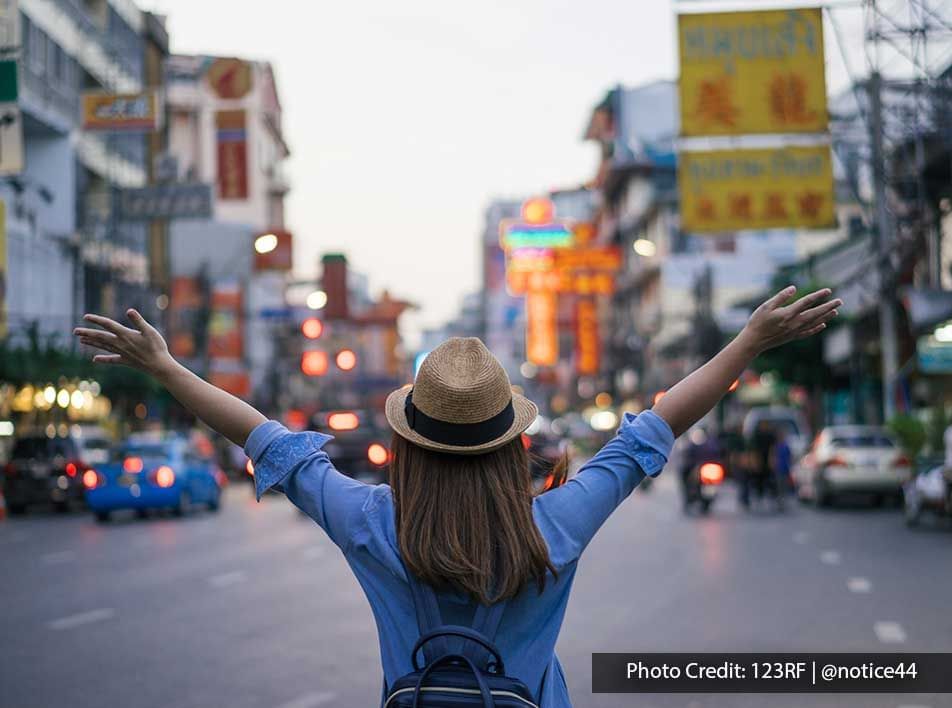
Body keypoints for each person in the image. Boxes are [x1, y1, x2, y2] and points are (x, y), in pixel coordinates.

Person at [72, 284, 839, 707]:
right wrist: (749, 344)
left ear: (408, 443)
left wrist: (166, 368)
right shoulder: (554, 526)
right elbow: (653, 429)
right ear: (514, 445)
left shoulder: (374, 523)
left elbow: (263, 436)